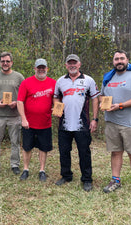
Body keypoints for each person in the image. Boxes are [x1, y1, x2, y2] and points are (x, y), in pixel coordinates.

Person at [100, 50, 131, 198]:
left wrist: (121, 105)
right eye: (116, 59)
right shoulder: (109, 77)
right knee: (115, 152)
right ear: (113, 61)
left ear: (127, 60)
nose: (119, 61)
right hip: (112, 122)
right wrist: (104, 103)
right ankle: (115, 180)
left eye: (122, 58)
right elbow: (102, 95)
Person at [53, 54, 100, 192]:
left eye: (75, 63)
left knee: (84, 152)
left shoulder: (88, 80)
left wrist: (95, 119)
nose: (72, 65)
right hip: (64, 124)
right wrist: (57, 110)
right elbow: (56, 97)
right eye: (69, 63)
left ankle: (86, 179)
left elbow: (95, 99)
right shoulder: (60, 81)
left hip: (83, 123)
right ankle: (66, 176)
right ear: (66, 65)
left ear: (79, 64)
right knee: (64, 151)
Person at [0, 52, 24, 176]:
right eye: (3, 61)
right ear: (0, 62)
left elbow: (25, 93)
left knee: (15, 142)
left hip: (15, 115)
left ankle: (15, 165)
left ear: (11, 62)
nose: (5, 63)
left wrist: (16, 103)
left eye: (7, 61)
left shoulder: (18, 77)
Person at [17, 59, 56, 182]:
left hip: (45, 122)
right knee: (27, 147)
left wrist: (57, 109)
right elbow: (19, 101)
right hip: (28, 123)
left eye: (43, 67)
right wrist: (23, 119)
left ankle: (42, 170)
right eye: (39, 67)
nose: (41, 69)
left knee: (43, 148)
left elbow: (56, 99)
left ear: (47, 69)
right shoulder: (26, 82)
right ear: (34, 69)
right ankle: (26, 169)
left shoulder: (53, 83)